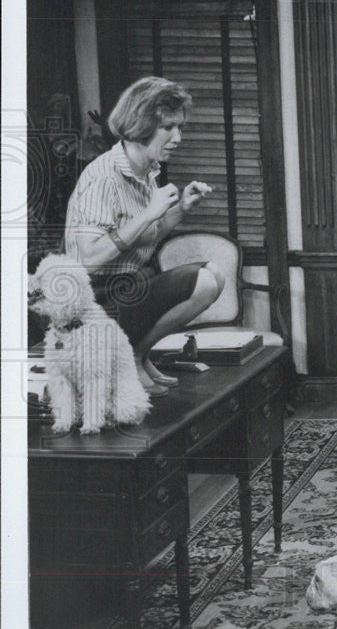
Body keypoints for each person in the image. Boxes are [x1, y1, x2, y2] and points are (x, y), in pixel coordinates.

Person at [64, 76, 226, 397]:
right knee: (206, 281)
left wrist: (180, 208)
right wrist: (149, 213)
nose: (178, 138)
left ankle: (137, 355)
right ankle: (129, 358)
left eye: (180, 128)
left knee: (215, 276)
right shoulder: (103, 177)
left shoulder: (145, 171)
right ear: (140, 125)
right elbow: (88, 259)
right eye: (168, 128)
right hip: (95, 300)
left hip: (127, 286)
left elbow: (145, 234)